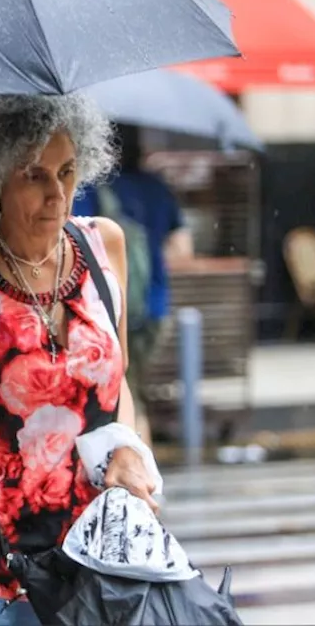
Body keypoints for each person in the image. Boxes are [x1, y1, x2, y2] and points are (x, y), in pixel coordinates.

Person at [0, 95, 160, 626]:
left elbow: (117, 384)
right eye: (35, 175)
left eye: (68, 171)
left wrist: (126, 450)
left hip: (96, 557)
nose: (58, 194)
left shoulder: (105, 246)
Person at [73, 125, 192, 439]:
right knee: (132, 392)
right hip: (154, 306)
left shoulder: (92, 189)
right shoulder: (156, 187)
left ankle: (141, 480)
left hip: (110, 310)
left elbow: (75, 246)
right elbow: (182, 247)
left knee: (126, 398)